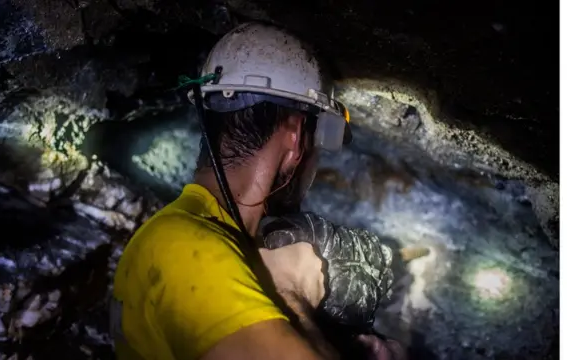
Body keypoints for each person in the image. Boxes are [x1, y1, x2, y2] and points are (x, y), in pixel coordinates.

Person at [110, 22, 405, 360]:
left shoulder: (184, 235)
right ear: (295, 135)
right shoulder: (191, 250)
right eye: (322, 138)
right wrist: (291, 293)